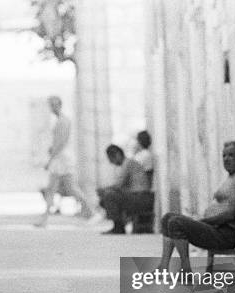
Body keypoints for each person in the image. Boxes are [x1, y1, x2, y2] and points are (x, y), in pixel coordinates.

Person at [158, 141, 235, 273]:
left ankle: (186, 269)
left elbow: (230, 214)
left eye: (231, 155)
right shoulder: (232, 177)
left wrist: (202, 221)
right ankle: (163, 266)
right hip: (214, 229)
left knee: (175, 223)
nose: (226, 159)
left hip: (223, 235)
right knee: (167, 218)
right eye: (224, 156)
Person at [36, 96, 94, 227]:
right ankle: (44, 218)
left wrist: (50, 160)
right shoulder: (60, 121)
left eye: (52, 105)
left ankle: (90, 211)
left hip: (62, 159)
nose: (51, 108)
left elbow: (61, 142)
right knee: (53, 188)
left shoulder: (63, 121)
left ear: (58, 105)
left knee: (70, 188)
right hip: (60, 158)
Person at [97, 144, 153, 234]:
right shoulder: (128, 163)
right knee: (107, 196)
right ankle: (119, 225)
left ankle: (118, 227)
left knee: (109, 195)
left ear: (118, 154)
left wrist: (103, 190)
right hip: (138, 197)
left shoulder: (128, 163)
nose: (111, 163)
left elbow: (119, 185)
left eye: (111, 159)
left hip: (142, 198)